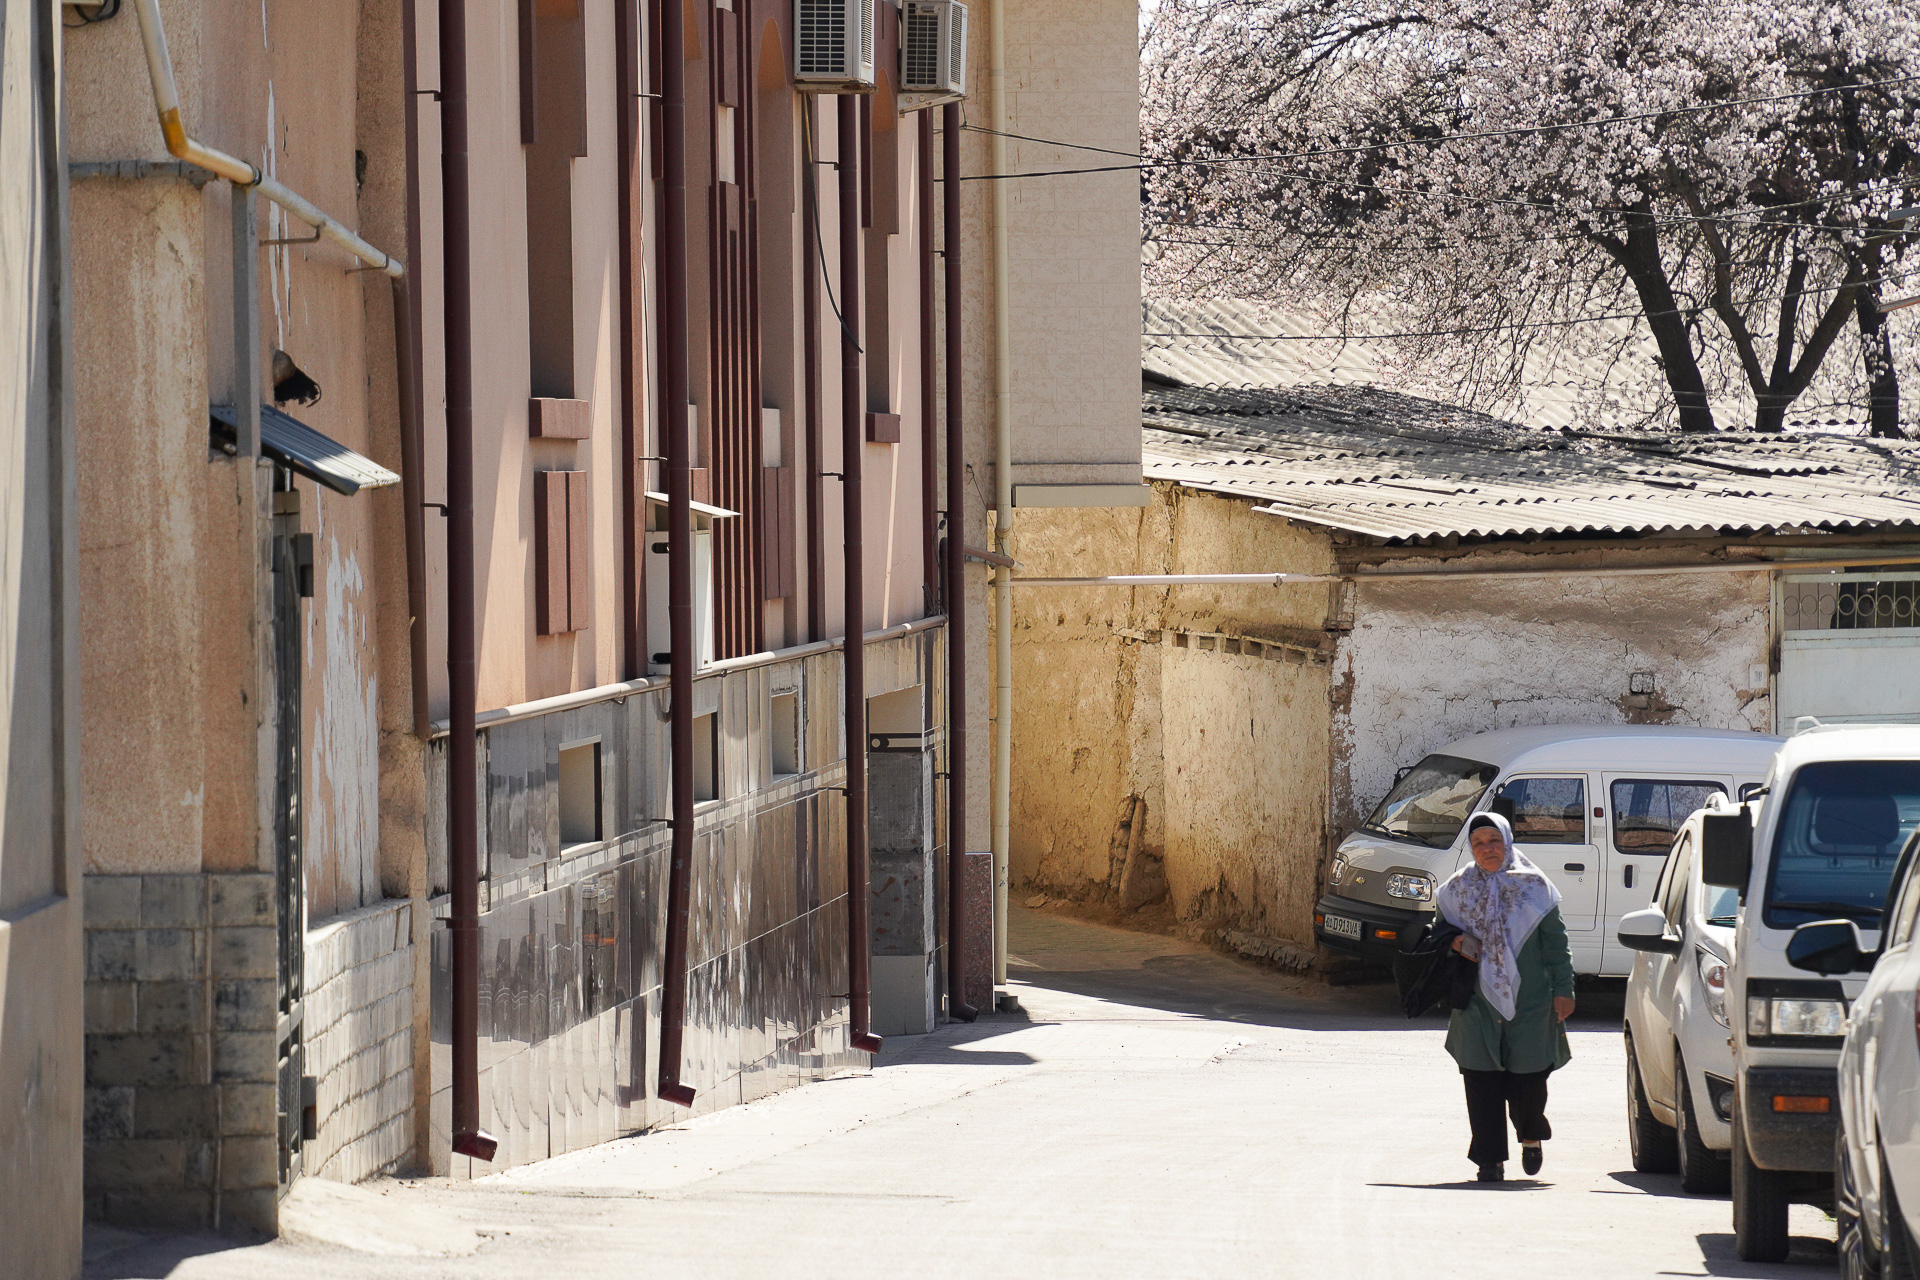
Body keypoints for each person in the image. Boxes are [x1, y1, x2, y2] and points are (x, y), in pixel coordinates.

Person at [1435, 811, 1576, 1183]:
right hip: (1477, 1002)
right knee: (1480, 1080)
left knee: (1528, 1080)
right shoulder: (1456, 890)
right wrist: (1453, 940)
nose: (1487, 849)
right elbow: (1436, 936)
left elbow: (1556, 944)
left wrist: (1564, 989)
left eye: (1493, 841)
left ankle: (1531, 1134)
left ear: (1508, 842)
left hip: (1530, 1001)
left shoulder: (1535, 886)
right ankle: (1490, 1160)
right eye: (1479, 843)